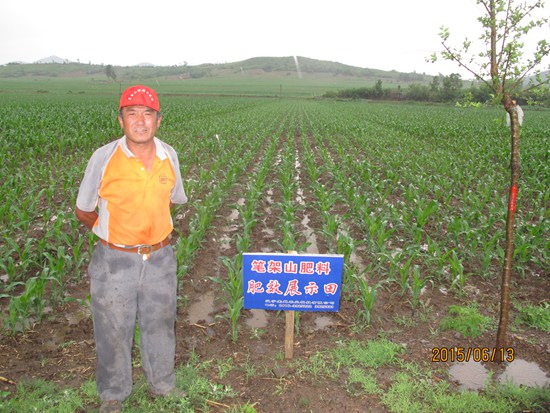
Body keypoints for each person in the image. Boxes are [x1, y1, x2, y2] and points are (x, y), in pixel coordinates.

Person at [75, 85, 187, 413]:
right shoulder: (104, 157)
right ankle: (113, 394)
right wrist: (112, 236)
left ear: (158, 120)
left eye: (147, 114)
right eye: (132, 113)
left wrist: (152, 236)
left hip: (160, 258)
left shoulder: (169, 155)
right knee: (112, 328)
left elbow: (171, 200)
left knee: (161, 323)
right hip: (114, 260)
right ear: (120, 119)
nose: (140, 121)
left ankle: (162, 385)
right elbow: (83, 209)